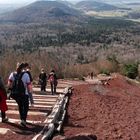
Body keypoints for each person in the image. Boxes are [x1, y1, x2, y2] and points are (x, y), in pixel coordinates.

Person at [8, 63, 32, 127]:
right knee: (26, 106)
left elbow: (9, 83)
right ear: (22, 68)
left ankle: (22, 119)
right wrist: (30, 91)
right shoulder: (26, 74)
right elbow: (28, 84)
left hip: (16, 94)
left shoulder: (12, 74)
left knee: (20, 105)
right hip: (24, 93)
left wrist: (10, 90)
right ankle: (23, 120)